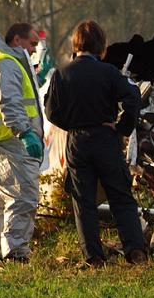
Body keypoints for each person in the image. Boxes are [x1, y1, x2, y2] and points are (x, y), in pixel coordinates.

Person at [44, 20, 147, 267]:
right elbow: (133, 97)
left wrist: (71, 125)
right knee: (120, 196)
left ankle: (94, 257)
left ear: (75, 44)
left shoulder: (61, 75)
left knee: (84, 201)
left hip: (78, 142)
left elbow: (50, 111)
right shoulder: (109, 72)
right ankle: (135, 251)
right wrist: (122, 127)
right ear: (101, 45)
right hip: (106, 139)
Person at [0, 23, 44, 262]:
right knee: (23, 195)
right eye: (32, 43)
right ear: (17, 40)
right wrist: (25, 132)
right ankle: (15, 252)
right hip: (10, 139)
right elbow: (9, 101)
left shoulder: (9, 63)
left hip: (0, 139)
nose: (35, 49)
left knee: (4, 195)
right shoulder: (6, 64)